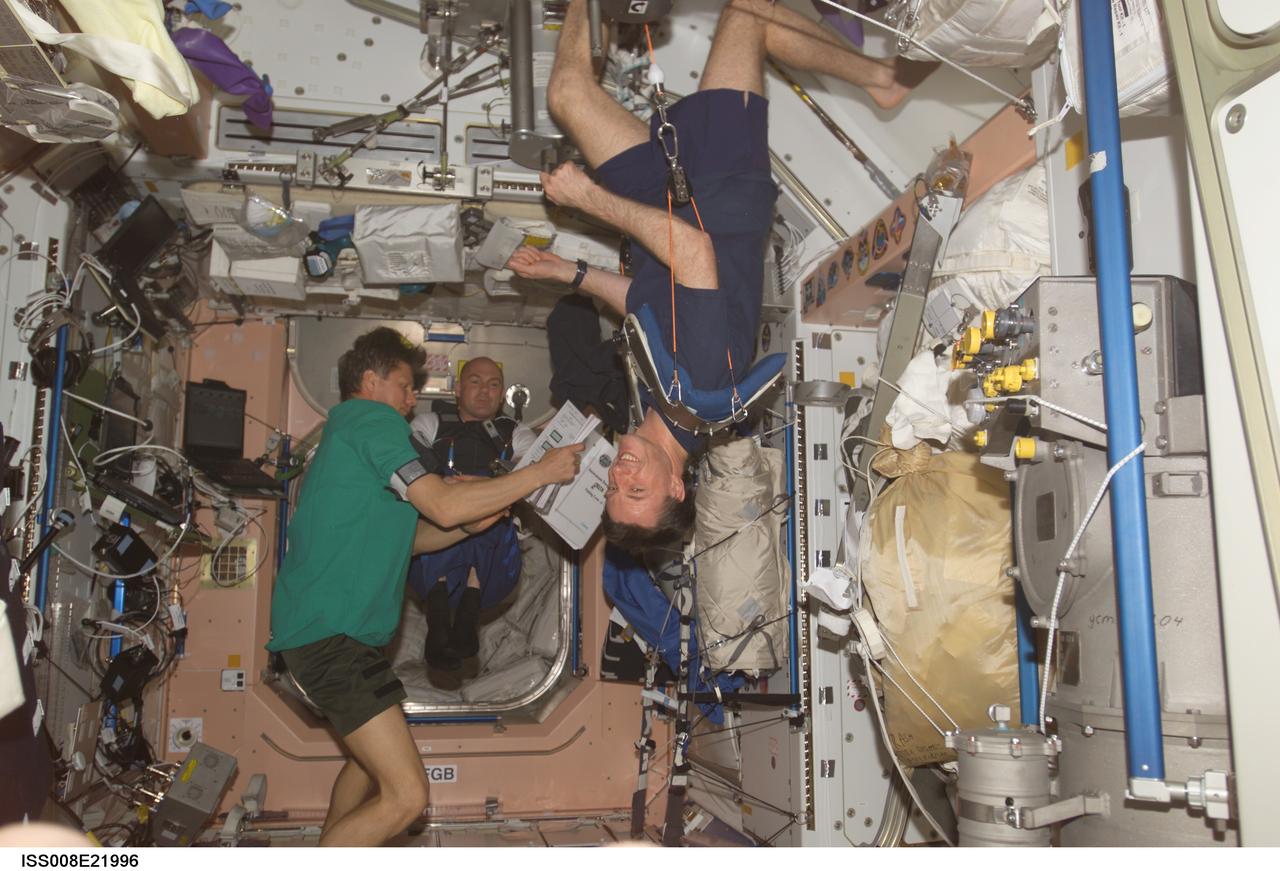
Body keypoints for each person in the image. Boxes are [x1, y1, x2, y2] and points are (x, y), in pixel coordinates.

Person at [508, 0, 912, 552]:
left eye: (613, 488)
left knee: (567, 95)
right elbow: (695, 256)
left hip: (666, 200)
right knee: (749, 14)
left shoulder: (662, 406)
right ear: (676, 485)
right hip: (719, 193)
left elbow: (646, 301)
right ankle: (881, 79)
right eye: (639, 489)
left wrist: (571, 274)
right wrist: (592, 202)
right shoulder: (702, 390)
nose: (620, 474)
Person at [266, 327, 582, 846]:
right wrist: (541, 473)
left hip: (338, 639)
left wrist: (466, 526)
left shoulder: (347, 438)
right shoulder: (373, 422)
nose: (413, 400)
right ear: (370, 381)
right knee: (408, 796)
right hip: (332, 640)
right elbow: (440, 502)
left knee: (366, 769)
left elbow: (409, 539)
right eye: (406, 386)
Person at [406, 356, 537, 670]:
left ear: (502, 393)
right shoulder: (428, 424)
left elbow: (532, 469)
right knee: (446, 515)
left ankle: (467, 607)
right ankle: (442, 614)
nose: (484, 391)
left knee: (486, 519)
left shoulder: (517, 433)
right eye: (475, 382)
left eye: (493, 385)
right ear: (458, 390)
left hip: (497, 555)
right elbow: (411, 465)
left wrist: (483, 489)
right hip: (434, 536)